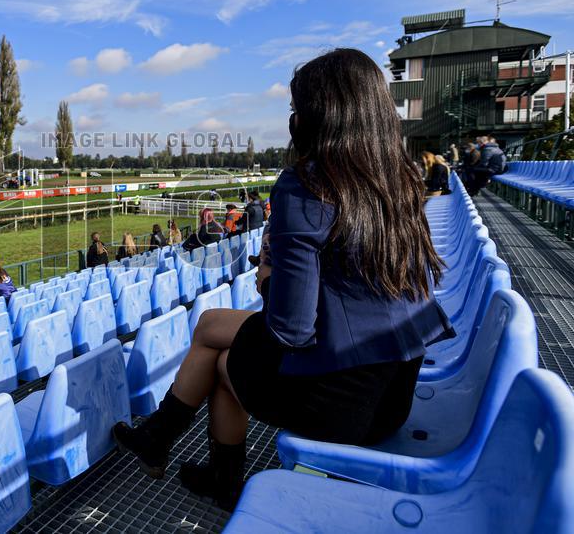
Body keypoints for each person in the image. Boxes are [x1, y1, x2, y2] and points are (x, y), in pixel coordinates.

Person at [112, 48, 454, 509]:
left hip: (340, 403)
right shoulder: (401, 178)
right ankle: (169, 445)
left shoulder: (307, 184)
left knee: (216, 356)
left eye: (297, 109)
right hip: (393, 396)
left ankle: (206, 468)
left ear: (321, 116)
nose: (293, 119)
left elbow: (291, 329)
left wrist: (269, 276)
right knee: (212, 325)